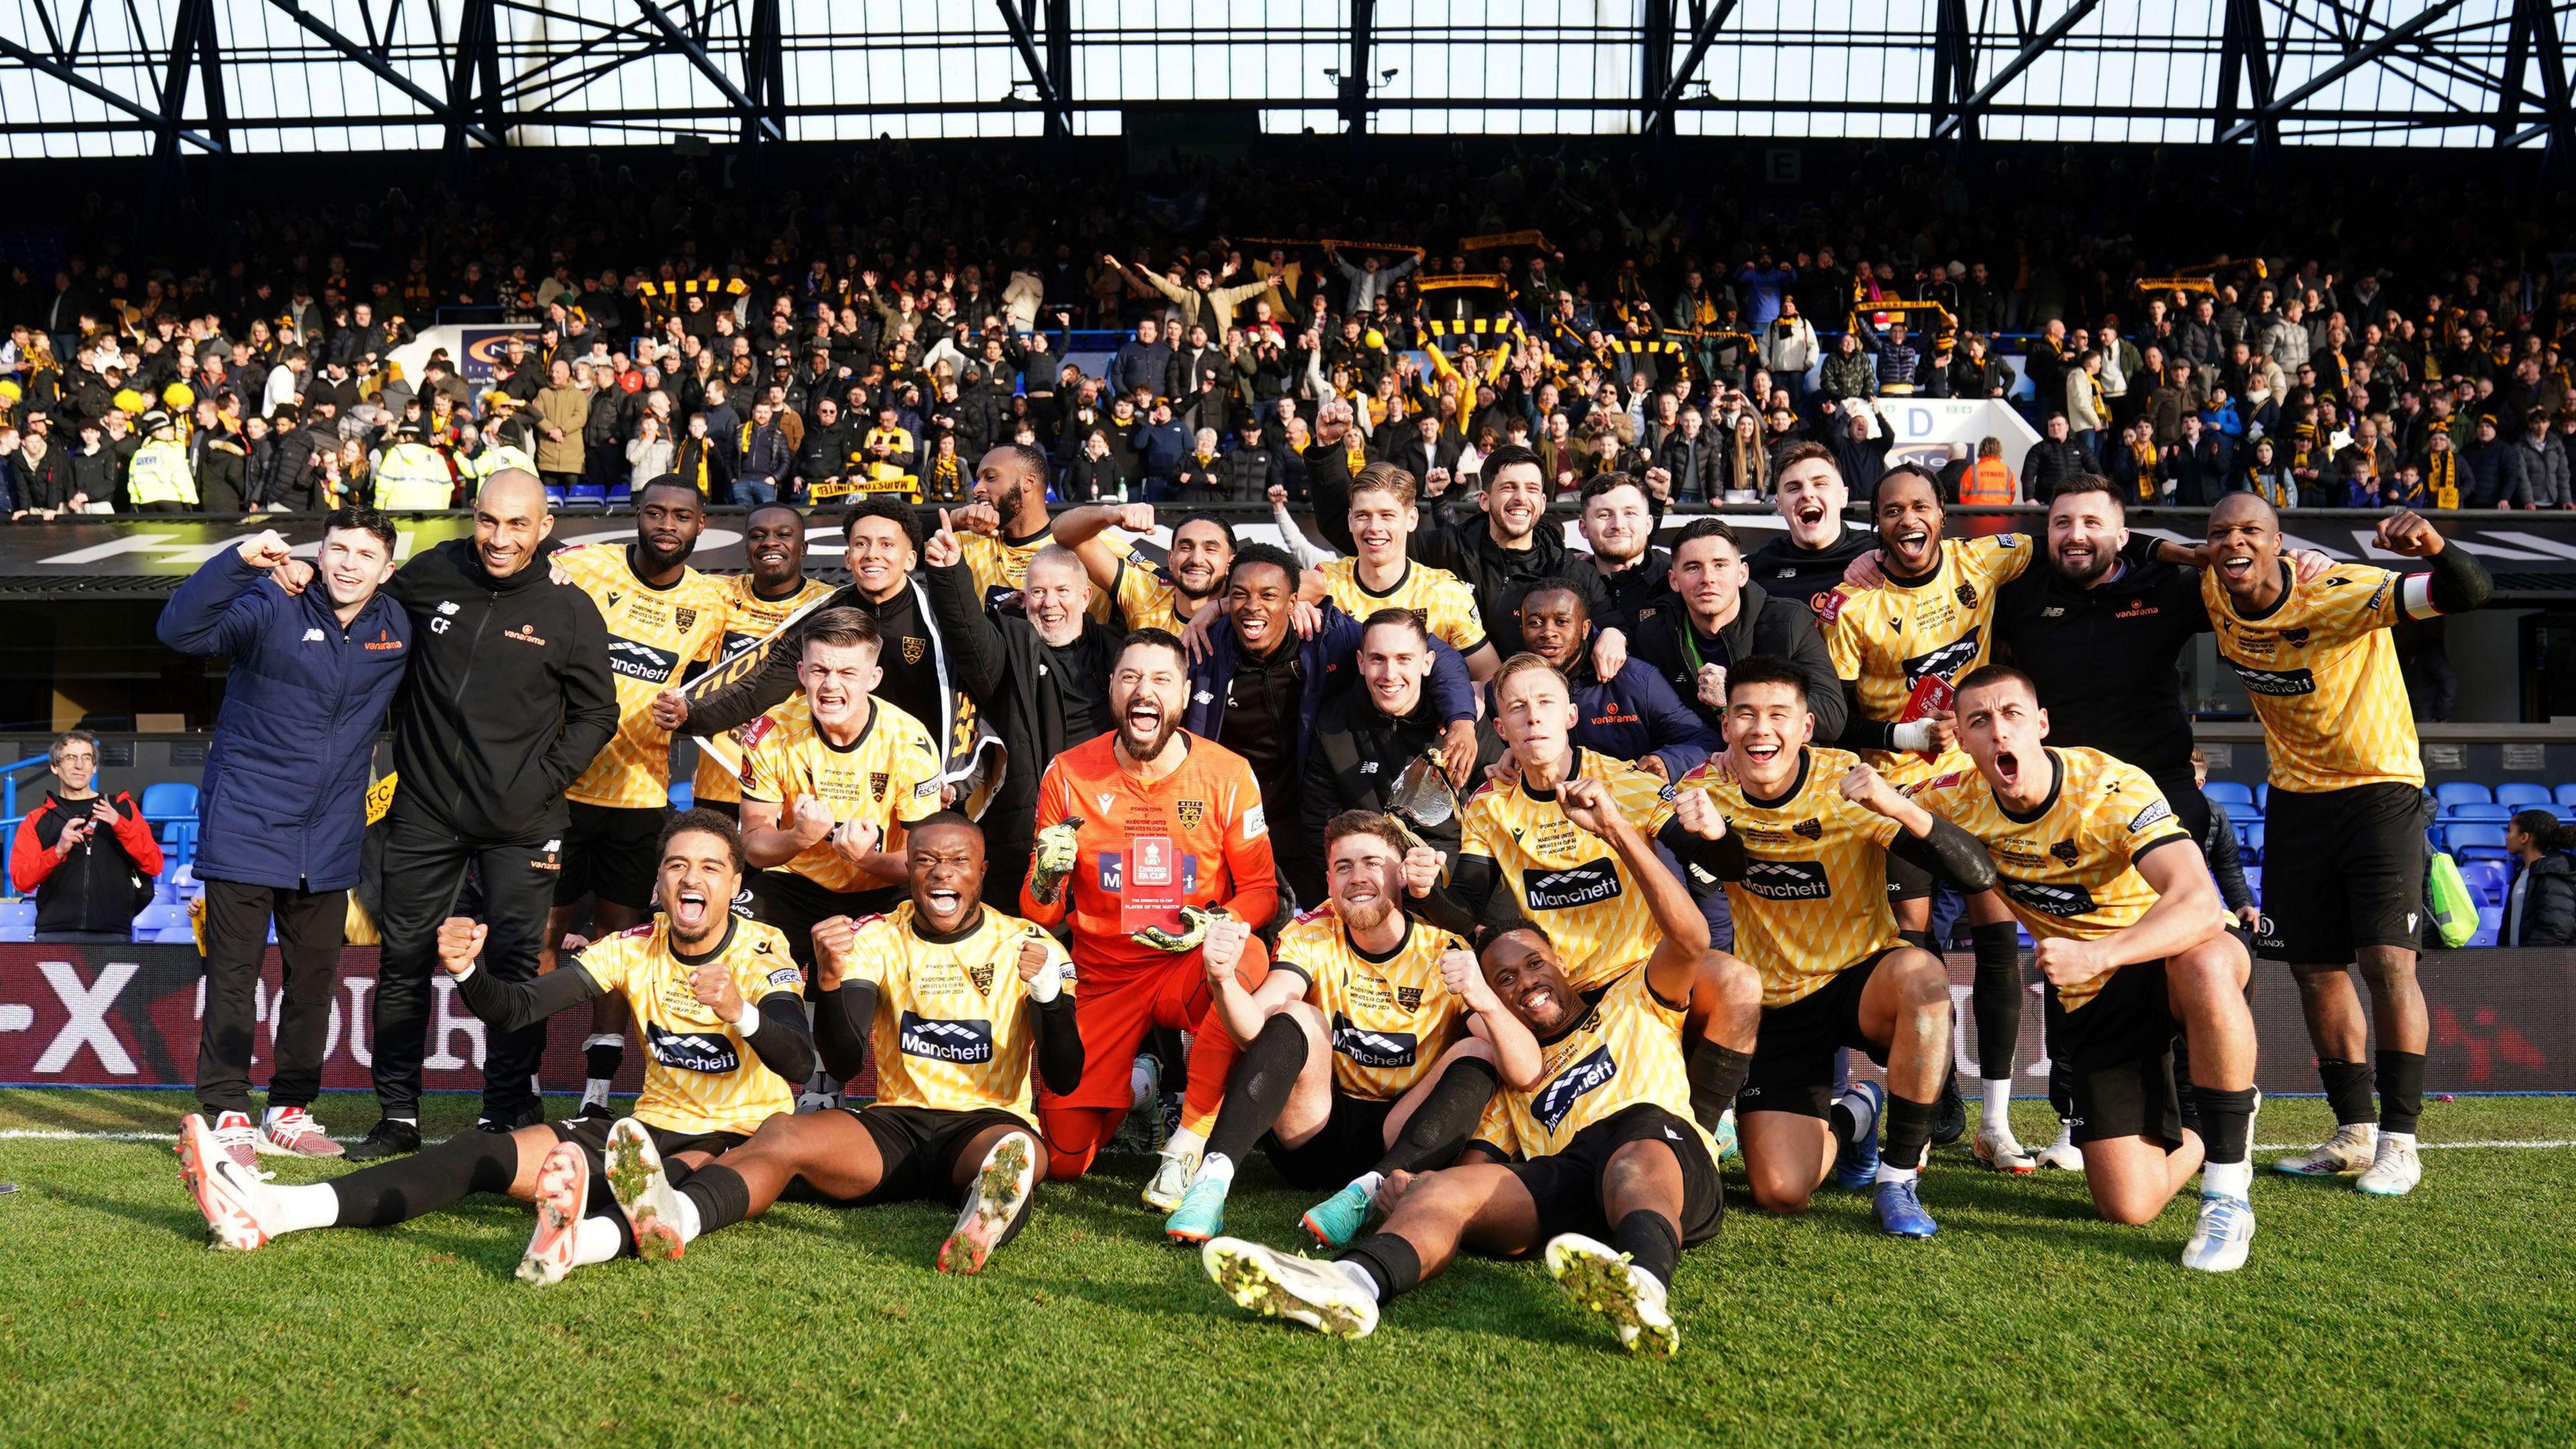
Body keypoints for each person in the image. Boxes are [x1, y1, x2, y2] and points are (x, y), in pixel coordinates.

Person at [1199, 775, 1723, 1354]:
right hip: (1573, 1181)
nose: (1524, 983)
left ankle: (1645, 1285)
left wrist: (1618, 831)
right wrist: (1418, 1185)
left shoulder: (1636, 998)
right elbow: (1479, 1155)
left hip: (1662, 1157)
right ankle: (1349, 1283)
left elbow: (1692, 940)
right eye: (1505, 980)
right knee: (1443, 1193)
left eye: (1532, 965)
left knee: (1633, 1153)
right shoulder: (1511, 1062)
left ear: (1561, 964)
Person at [177, 812, 816, 1285]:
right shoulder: (632, 947)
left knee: (667, 1182)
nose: (690, 878)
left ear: (735, 884)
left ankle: (582, 1242)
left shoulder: (763, 950)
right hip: (643, 1128)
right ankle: (276, 1209)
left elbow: (797, 1061)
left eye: (709, 867)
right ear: (659, 883)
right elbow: (517, 1009)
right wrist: (467, 971)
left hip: (738, 1134)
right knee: (482, 1150)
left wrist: (741, 1012)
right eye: (677, 865)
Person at [278, 470, 617, 1159]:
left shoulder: (571, 608)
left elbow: (597, 713)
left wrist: (542, 782)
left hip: (524, 822)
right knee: (404, 961)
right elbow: (360, 608)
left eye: (518, 525)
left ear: (544, 530)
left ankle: (506, 1111)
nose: (500, 538)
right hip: (425, 812)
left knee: (517, 966)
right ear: (474, 515)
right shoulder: (431, 573)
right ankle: (398, 1116)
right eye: (489, 521)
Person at [582, 813, 1081, 1278]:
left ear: (982, 870)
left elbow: (1064, 1077)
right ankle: (678, 1215)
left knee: (1016, 1155)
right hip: (895, 1127)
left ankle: (983, 1217)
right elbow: (845, 1061)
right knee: (781, 1133)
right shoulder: (878, 936)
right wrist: (826, 980)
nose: (940, 874)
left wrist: (1050, 999)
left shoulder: (1029, 944)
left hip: (985, 1125)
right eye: (926, 861)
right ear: (907, 868)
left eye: (958, 862)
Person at [1916, 667, 2263, 1272]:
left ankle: (2227, 1194)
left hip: (2168, 954)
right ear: (1964, 742)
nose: (1999, 732)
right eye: (1979, 722)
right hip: (2097, 997)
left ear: (2041, 724)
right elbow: (1845, 812)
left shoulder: (2110, 785)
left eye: (2012, 715)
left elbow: (2199, 902)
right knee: (2128, 1205)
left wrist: (2097, 953)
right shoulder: (1952, 799)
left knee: (2206, 962)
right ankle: (2220, 1120)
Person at [2201, 496, 2490, 1194]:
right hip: (2297, 799)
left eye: (2250, 532)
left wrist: (2432, 546)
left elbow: (2468, 592)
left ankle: (2401, 1142)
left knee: (2387, 963)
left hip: (2380, 788)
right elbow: (2156, 566)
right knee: (2314, 968)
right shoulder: (2215, 587)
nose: (2233, 544)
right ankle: (2355, 1132)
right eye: (2220, 534)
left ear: (2279, 542)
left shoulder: (2341, 589)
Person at [1678, 659, 1997, 1238]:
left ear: (1806, 727)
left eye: (1779, 715)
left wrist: (1898, 804)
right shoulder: (1703, 788)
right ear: (1725, 726)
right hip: (1774, 1003)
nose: (1761, 729)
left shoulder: (1846, 781)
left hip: (1860, 980)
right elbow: (1713, 858)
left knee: (1924, 980)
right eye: (1745, 714)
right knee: (1779, 1192)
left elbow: (1977, 874)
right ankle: (1857, 1115)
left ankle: (1897, 1180)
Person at [156, 514, 408, 1164]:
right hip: (245, 824)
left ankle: (289, 1110)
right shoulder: (275, 599)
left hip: (327, 839)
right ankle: (226, 1110)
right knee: (234, 978)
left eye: (366, 554)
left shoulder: (397, 629)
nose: (349, 564)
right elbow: (178, 630)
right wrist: (240, 561)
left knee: (314, 982)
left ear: (388, 569)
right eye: (339, 549)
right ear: (319, 554)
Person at [1159, 812, 1506, 1248]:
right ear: (1328, 882)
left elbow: (1523, 1066)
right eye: (1344, 867)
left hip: (1397, 1143)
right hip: (1314, 1134)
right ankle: (1212, 1179)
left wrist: (1486, 1000)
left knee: (1483, 1048)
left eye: (1371, 863)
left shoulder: (1444, 949)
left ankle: (1364, 1194)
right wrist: (1222, 979)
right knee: (1295, 1014)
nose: (1357, 877)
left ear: (1402, 875)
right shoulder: (1313, 935)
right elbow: (1252, 1029)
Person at [1817, 466, 2033, 1163]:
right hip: (1897, 799)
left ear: (1943, 514)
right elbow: (1832, 720)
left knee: (1999, 945)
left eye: (1920, 507)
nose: (1908, 520)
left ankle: (1997, 1122)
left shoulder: (1986, 561)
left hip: (1980, 783)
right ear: (1874, 522)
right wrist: (1905, 737)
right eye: (1891, 511)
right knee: (1915, 951)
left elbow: (2066, 539)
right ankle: (1933, 1092)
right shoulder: (1853, 608)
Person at [1448, 655, 1762, 1135]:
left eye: (1546, 703)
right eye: (1518, 708)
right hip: (1557, 993)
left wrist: (1717, 834)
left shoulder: (1626, 784)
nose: (1533, 716)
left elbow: (1729, 867)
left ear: (1570, 717)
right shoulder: (1489, 803)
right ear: (1500, 727)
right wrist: (1426, 889)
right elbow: (1467, 902)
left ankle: (1701, 1126)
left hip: (1643, 979)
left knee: (1738, 983)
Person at [1021, 629, 1279, 1210]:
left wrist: (1214, 922)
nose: (1146, 690)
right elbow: (1039, 912)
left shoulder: (1227, 773)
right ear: (1112, 689)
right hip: (1104, 974)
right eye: (1132, 677)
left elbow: (1262, 890)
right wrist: (1045, 876)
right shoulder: (1067, 774)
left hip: (1189, 964)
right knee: (1063, 1159)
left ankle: (1188, 1141)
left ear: (1185, 695)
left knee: (1245, 955)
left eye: (1162, 679)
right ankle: (1138, 1086)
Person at [547, 479, 733, 1114]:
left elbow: (717, 687)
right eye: (655, 511)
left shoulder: (711, 604)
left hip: (639, 796)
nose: (666, 524)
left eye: (681, 515)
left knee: (617, 942)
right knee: (541, 934)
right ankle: (522, 1078)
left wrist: (693, 707)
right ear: (637, 515)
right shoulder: (583, 566)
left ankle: (598, 1092)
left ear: (701, 526)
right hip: (559, 789)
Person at [1183, 544, 1475, 908]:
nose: (1253, 606)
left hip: (1306, 816)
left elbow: (1429, 651)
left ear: (1293, 602)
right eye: (1239, 595)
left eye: (1269, 595)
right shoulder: (1205, 648)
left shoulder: (1328, 633)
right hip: (1232, 827)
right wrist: (1211, 610)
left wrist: (1462, 719)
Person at [1301, 610, 1503, 868]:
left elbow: (1500, 812)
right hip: (1371, 877)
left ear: (1427, 663)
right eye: (1378, 659)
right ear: (1361, 663)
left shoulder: (1462, 724)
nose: (1390, 674)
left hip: (1454, 873)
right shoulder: (1331, 726)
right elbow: (1321, 828)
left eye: (1404, 659)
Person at [1630, 517, 1844, 744]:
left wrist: (1737, 694)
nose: (1708, 579)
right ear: (1674, 581)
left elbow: (1831, 718)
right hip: (1694, 766)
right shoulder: (1653, 636)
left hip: (1777, 765)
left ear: (1742, 574)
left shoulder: (1789, 622)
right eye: (1693, 568)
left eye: (1720, 565)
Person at [686, 502, 838, 820]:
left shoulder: (827, 604)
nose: (770, 542)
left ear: (803, 548)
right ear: (747, 550)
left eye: (784, 534)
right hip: (719, 776)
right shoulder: (716, 592)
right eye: (758, 535)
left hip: (788, 779)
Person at [1407, 443, 1613, 659]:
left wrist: (1614, 634)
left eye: (1532, 488)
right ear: (1485, 500)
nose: (1521, 498)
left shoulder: (1567, 568)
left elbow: (1610, 618)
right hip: (1460, 688)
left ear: (1543, 503)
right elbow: (1386, 544)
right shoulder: (1448, 545)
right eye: (1509, 487)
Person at [1511, 578, 1719, 782]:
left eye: (1562, 622)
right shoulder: (1507, 689)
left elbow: (1704, 740)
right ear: (1521, 629)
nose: (1548, 632)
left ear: (1585, 629)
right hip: (1544, 810)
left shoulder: (1636, 680)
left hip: (1630, 807)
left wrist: (1667, 762)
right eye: (1535, 623)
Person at [1309, 463, 1499, 678]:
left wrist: (1468, 701)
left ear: (1412, 519)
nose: (1374, 527)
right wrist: (1291, 605)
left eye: (1387, 515)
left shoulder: (1446, 594)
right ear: (1350, 520)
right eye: (1363, 515)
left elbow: (1491, 677)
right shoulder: (1325, 582)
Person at [8, 731, 162, 943]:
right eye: (70, 758)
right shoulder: (38, 819)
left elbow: (154, 865)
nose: (79, 765)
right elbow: (22, 881)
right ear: (55, 767)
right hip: (55, 932)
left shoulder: (122, 809)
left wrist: (119, 824)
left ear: (94, 767)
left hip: (113, 931)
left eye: (86, 758)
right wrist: (58, 851)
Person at [1053, 502, 1236, 635]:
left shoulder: (1242, 613)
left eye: (1210, 549)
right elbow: (1063, 533)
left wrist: (1220, 608)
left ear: (1231, 563)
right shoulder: (1145, 589)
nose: (1196, 559)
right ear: (1171, 560)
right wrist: (1109, 513)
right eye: (1186, 547)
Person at [1743, 444, 1874, 608]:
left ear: (1843, 496)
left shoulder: (1879, 553)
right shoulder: (1755, 570)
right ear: (1779, 505)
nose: (1807, 494)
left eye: (1820, 484)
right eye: (1794, 488)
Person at [2504, 808, 2576, 947]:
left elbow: (2557, 929)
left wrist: (2528, 961)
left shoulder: (2552, 873)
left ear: (2524, 837)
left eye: (2510, 831)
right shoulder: (2525, 872)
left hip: (2542, 965)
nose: (2507, 836)